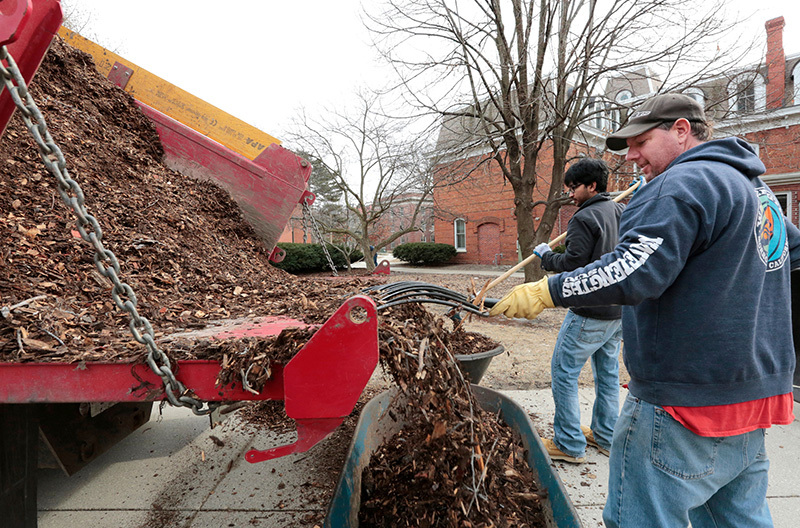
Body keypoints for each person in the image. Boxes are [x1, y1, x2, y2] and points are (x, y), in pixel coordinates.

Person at [490, 93, 799, 527]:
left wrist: (549, 290)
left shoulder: (680, 185)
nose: (632, 156)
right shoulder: (756, 190)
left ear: (681, 130)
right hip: (752, 396)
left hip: (683, 401)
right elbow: (792, 252)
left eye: (641, 142)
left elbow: (632, 270)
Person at [533, 158, 624, 463]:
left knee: (563, 372)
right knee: (608, 375)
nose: (570, 193)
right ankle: (605, 435)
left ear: (592, 186)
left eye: (574, 187)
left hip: (588, 310)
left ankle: (569, 444)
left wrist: (547, 257)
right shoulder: (618, 211)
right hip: (617, 311)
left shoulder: (583, 218)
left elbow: (574, 266)